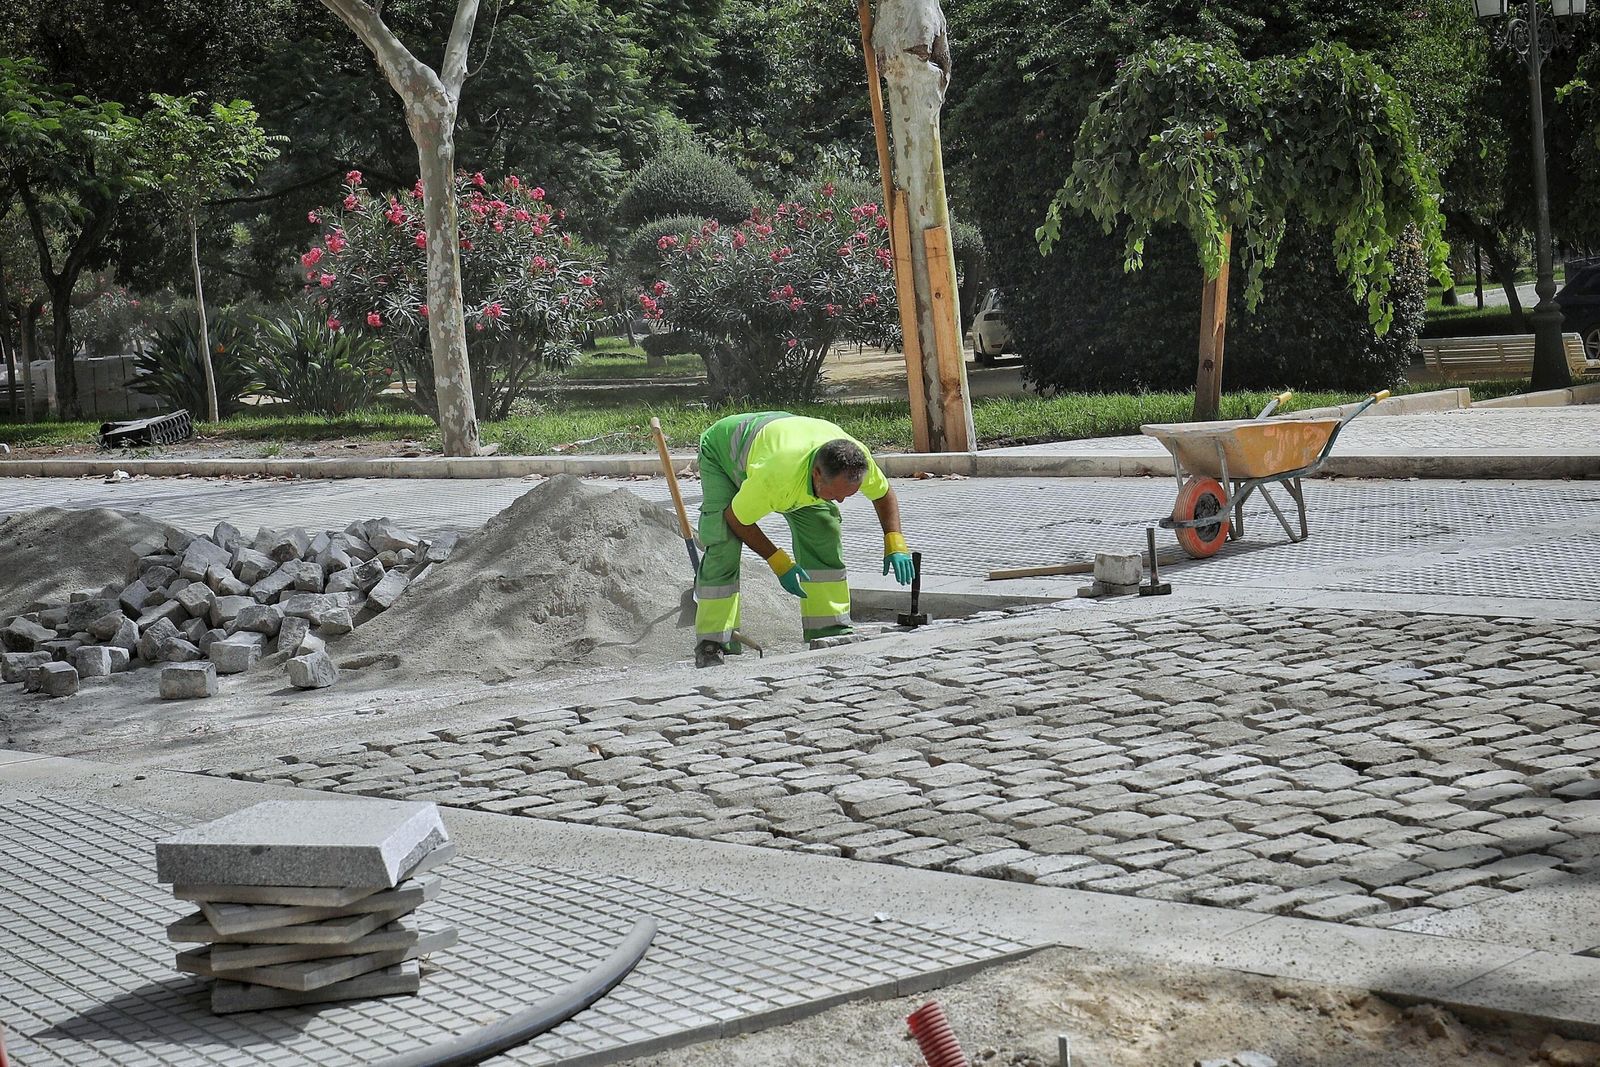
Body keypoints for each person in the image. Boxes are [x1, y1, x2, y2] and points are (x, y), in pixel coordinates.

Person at [693, 411, 915, 667]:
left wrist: (895, 541)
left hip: (789, 446)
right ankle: (713, 643)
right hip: (726, 453)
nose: (841, 500)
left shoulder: (856, 459)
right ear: (818, 474)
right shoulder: (774, 477)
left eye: (848, 494)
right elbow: (737, 519)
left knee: (824, 528)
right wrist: (778, 561)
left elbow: (883, 494)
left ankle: (829, 629)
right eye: (836, 493)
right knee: (724, 543)